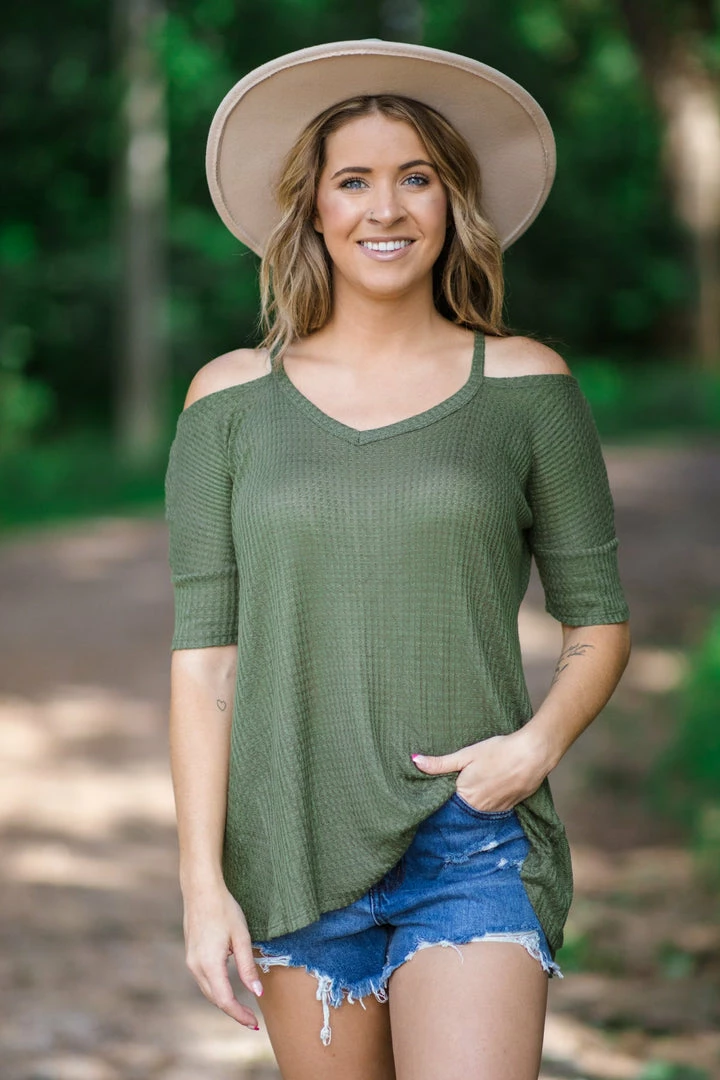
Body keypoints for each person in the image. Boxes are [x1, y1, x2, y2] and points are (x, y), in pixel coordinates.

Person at [164, 40, 632, 1080]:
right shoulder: (227, 400)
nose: (386, 208)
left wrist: (535, 747)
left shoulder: (526, 386)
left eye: (416, 177)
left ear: (453, 201)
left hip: (473, 840)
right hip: (289, 846)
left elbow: (597, 620)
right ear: (312, 207)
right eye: (354, 180)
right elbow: (205, 663)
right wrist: (202, 884)